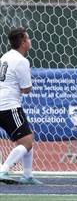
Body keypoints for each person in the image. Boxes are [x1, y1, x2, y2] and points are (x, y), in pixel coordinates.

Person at [0, 27, 42, 185]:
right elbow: (26, 89)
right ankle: (4, 170)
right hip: (9, 106)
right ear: (23, 42)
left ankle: (27, 175)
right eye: (28, 38)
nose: (30, 41)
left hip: (3, 104)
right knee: (26, 142)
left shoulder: (5, 56)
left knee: (27, 137)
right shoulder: (21, 60)